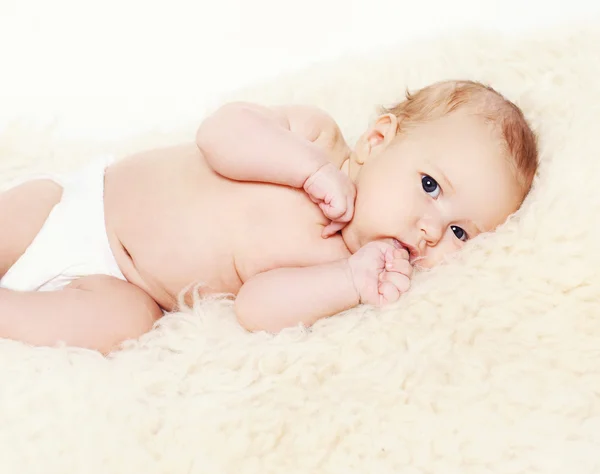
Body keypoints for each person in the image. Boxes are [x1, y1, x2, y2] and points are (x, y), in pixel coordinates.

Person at [0, 80, 538, 354]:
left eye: (459, 232)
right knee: (20, 212)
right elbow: (219, 132)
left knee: (126, 326)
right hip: (81, 204)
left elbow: (255, 308)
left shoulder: (338, 266)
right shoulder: (315, 138)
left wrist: (349, 280)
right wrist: (306, 170)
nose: (430, 229)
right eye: (429, 186)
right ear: (377, 141)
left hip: (121, 284)